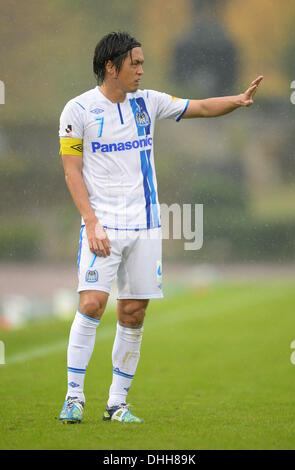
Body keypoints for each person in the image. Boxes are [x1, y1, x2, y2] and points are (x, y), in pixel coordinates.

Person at [58, 31, 263, 424]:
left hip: (146, 226)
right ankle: (73, 397)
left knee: (133, 312)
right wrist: (91, 222)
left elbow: (200, 106)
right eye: (134, 63)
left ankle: (116, 404)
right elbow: (72, 171)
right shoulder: (78, 110)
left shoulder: (147, 102)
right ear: (110, 67)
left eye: (142, 63)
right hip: (102, 226)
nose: (141, 69)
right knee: (91, 304)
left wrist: (238, 100)